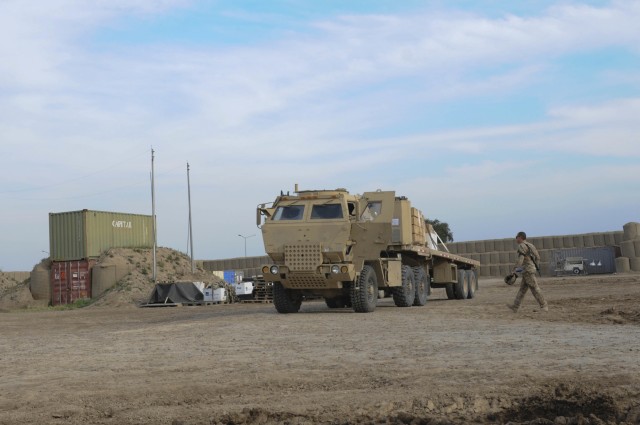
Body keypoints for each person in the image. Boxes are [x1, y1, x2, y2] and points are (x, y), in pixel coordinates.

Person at [507, 231, 548, 312]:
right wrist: (534, 267)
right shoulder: (530, 245)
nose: (516, 238)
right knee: (522, 290)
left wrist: (515, 270)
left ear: (520, 237)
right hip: (528, 270)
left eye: (516, 237)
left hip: (527, 271)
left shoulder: (521, 246)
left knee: (535, 289)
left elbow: (521, 260)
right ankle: (515, 307)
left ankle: (544, 306)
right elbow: (538, 257)